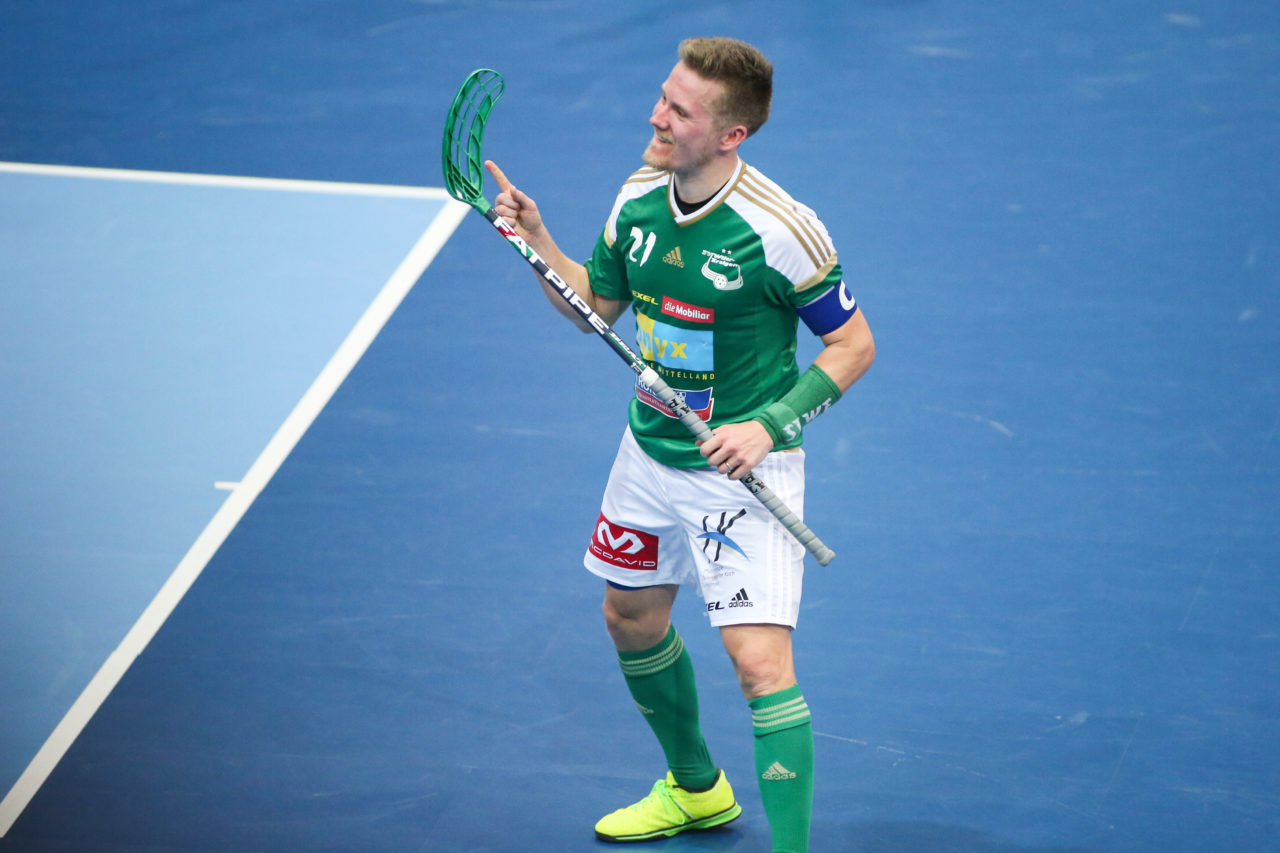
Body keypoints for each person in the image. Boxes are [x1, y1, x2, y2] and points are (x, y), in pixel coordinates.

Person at [485, 36, 874, 853]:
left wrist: (768, 423)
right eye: (663, 96)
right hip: (650, 453)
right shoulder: (637, 196)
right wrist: (536, 242)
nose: (655, 116)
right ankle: (697, 789)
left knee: (761, 669)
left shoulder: (780, 229)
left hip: (742, 467)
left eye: (679, 111)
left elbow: (853, 347)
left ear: (731, 134)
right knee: (628, 615)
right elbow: (597, 304)